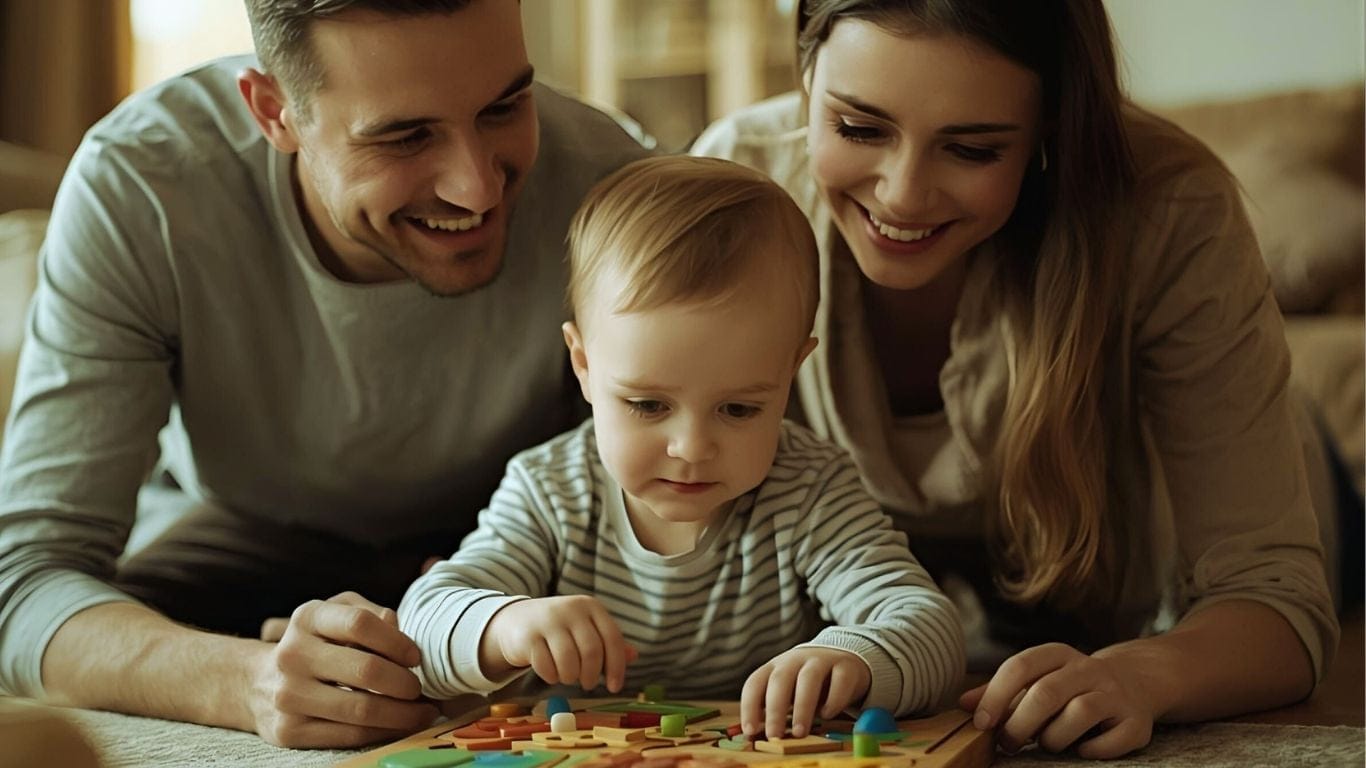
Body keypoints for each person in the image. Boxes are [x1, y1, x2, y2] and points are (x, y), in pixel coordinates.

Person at [691, 0, 1340, 759]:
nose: (901, 195)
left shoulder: (1172, 210)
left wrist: (1143, 670)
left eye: (971, 150)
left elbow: (1275, 601)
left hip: (1300, 475)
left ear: (1048, 133)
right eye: (858, 128)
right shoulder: (736, 186)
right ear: (805, 75)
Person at [0, 0, 649, 749]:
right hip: (247, 537)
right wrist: (246, 679)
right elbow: (26, 582)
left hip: (519, 552)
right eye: (405, 137)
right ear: (275, 112)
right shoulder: (144, 186)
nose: (477, 187)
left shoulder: (615, 185)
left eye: (504, 107)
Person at [398, 155, 965, 740]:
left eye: (739, 409)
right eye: (647, 406)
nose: (691, 448)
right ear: (585, 366)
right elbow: (421, 627)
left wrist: (856, 659)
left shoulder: (809, 488)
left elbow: (932, 631)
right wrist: (505, 625)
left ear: (791, 371)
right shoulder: (549, 489)